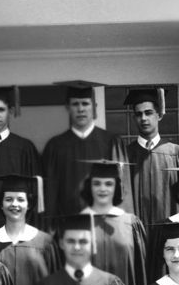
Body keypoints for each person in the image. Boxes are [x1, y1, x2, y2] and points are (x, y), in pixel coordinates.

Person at [41, 80, 120, 217]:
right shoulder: (55, 146)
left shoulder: (111, 142)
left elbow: (121, 188)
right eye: (75, 104)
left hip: (104, 224)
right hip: (67, 226)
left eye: (85, 103)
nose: (81, 109)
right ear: (67, 107)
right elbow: (49, 194)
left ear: (94, 106)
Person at [112, 88, 179, 225]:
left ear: (159, 115)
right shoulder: (126, 155)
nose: (143, 118)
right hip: (137, 232)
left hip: (170, 234)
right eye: (138, 114)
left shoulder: (176, 153)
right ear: (134, 118)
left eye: (148, 113)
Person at [79, 160, 148, 285]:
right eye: (97, 183)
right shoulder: (77, 224)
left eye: (108, 184)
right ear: (89, 187)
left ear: (117, 187)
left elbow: (141, 274)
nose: (102, 189)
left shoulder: (131, 223)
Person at [0, 174, 57, 285]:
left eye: (20, 199)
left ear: (29, 204)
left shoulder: (45, 242)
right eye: (8, 199)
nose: (14, 204)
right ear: (1, 204)